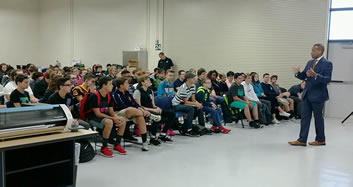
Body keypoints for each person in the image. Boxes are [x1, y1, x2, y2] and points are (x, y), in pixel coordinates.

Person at [289, 44, 333, 146]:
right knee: (305, 117)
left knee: (318, 118)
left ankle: (321, 139)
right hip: (307, 94)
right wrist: (298, 73)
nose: (311, 52)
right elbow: (304, 75)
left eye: (313, 50)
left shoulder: (327, 63)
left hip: (318, 95)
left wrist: (316, 75)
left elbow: (327, 79)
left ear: (320, 51)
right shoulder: (310, 62)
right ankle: (302, 140)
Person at [112, 77, 162, 151]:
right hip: (119, 113)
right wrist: (142, 110)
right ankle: (150, 115)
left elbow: (135, 104)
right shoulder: (115, 94)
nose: (128, 85)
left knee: (140, 117)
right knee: (130, 109)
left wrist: (142, 109)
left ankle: (144, 142)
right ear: (121, 85)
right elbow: (122, 106)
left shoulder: (127, 93)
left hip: (132, 113)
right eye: (126, 83)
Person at [84, 76, 127, 157]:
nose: (112, 86)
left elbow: (111, 111)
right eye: (110, 84)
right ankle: (104, 147)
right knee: (109, 122)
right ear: (104, 85)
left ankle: (117, 144)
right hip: (92, 118)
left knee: (122, 120)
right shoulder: (94, 96)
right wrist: (113, 118)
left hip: (103, 116)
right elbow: (97, 114)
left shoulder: (108, 95)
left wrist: (116, 118)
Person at [133, 75, 174, 144]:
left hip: (152, 109)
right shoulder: (138, 92)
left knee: (171, 114)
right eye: (147, 80)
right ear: (142, 82)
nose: (150, 82)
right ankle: (153, 137)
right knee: (157, 116)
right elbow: (139, 106)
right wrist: (153, 110)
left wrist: (157, 108)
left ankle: (163, 134)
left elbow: (153, 104)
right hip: (144, 111)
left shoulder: (150, 91)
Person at [172, 72, 205, 137]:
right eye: (193, 78)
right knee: (191, 109)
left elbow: (193, 99)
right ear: (188, 79)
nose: (194, 79)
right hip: (176, 105)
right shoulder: (183, 87)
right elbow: (186, 102)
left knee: (199, 108)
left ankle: (202, 127)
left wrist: (198, 104)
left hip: (183, 104)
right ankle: (188, 129)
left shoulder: (193, 86)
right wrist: (195, 104)